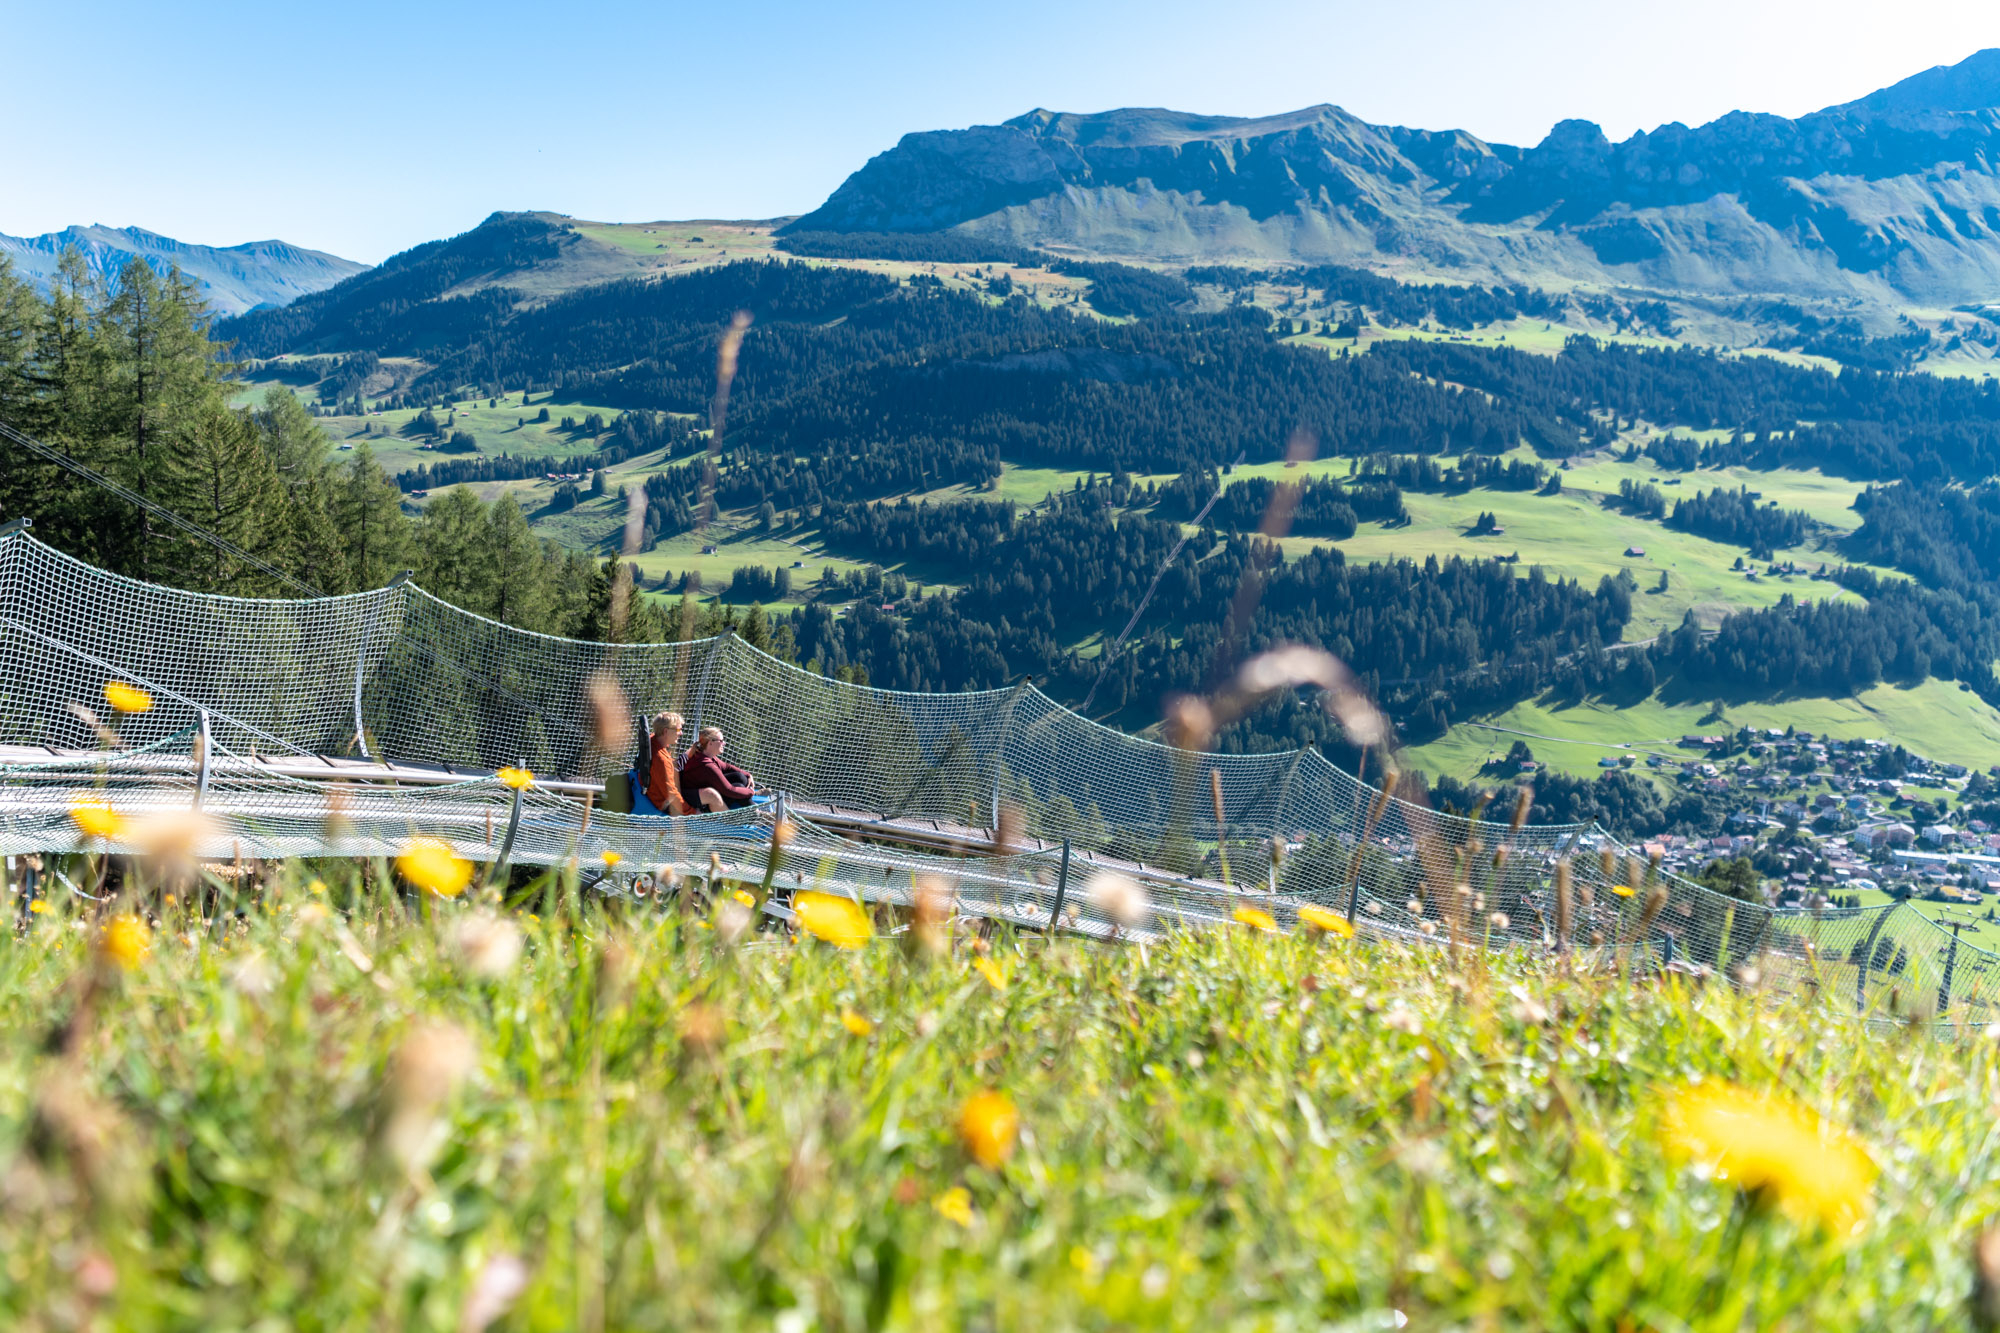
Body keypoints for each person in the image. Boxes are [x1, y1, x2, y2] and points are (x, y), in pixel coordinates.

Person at [680, 725, 756, 811]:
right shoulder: (706, 765)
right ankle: (757, 814)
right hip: (703, 805)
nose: (724, 743)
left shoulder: (705, 755)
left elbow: (726, 766)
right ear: (710, 743)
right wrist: (751, 791)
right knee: (738, 787)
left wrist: (748, 775)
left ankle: (752, 807)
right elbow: (729, 790)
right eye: (721, 741)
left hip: (708, 789)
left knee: (740, 777)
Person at [644, 711, 689, 815]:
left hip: (656, 793)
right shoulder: (661, 759)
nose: (681, 733)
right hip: (662, 805)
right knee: (710, 795)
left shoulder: (652, 740)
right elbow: (671, 794)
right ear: (666, 731)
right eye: (678, 730)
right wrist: (692, 812)